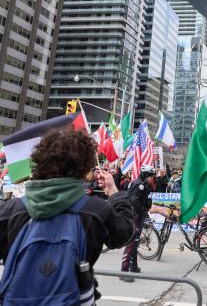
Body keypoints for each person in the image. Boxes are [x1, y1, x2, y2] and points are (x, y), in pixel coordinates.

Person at [0, 128, 134, 303]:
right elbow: (125, 233)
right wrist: (115, 193)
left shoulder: (10, 211)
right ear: (83, 168)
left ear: (39, 162)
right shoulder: (95, 210)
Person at [120, 164, 155, 281]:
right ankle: (124, 271)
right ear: (146, 175)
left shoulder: (141, 184)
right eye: (151, 176)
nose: (152, 179)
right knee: (131, 243)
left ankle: (133, 266)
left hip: (136, 216)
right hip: (135, 217)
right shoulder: (139, 185)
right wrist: (143, 209)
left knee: (135, 242)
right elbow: (135, 202)